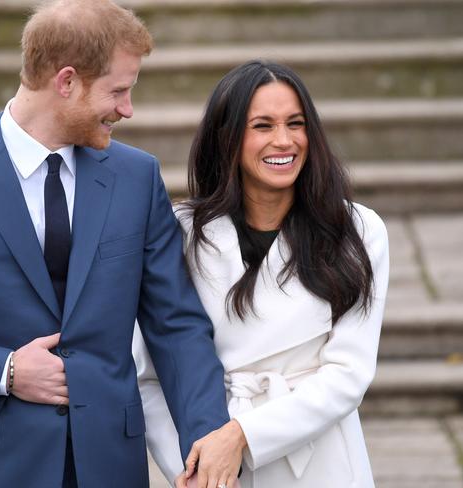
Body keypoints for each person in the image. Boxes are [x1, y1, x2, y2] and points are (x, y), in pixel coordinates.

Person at [0, 1, 241, 486]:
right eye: (118, 91)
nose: (127, 108)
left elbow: (176, 324)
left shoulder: (136, 178)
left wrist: (206, 438)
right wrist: (5, 370)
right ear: (67, 81)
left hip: (108, 465)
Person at [133, 60, 390, 488]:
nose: (284, 141)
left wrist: (242, 436)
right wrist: (193, 466)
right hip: (215, 469)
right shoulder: (179, 234)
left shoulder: (357, 231)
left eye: (296, 123)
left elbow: (349, 375)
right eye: (263, 126)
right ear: (227, 137)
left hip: (320, 463)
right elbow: (148, 377)